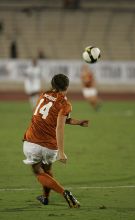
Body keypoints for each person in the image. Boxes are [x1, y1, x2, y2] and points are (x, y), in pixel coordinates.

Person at [23, 73, 89, 208]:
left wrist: (77, 122)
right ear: (67, 87)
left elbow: (56, 120)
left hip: (32, 141)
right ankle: (45, 198)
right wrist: (61, 152)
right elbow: (60, 124)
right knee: (47, 171)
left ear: (52, 85)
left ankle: (64, 192)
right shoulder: (65, 104)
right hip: (50, 147)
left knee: (38, 172)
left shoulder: (43, 95)